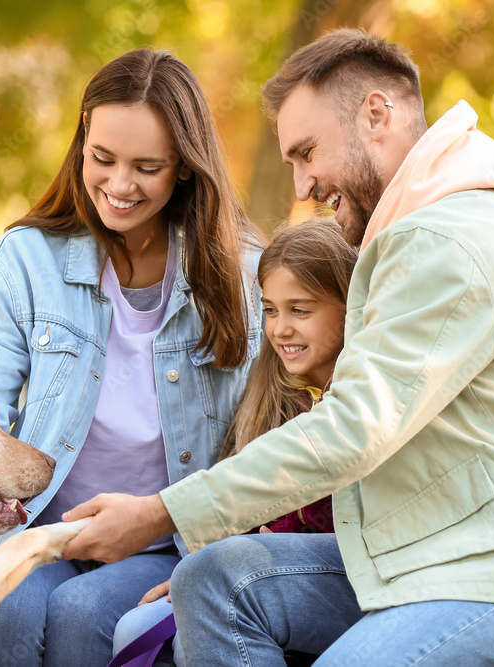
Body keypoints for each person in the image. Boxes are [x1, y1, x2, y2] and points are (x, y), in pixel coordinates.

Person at [61, 29, 494, 666]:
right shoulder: (412, 234)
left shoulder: (451, 237)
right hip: (434, 558)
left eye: (308, 152)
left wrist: (161, 512)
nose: (302, 184)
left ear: (376, 114)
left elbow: (353, 429)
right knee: (215, 581)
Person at [0, 48, 263, 666]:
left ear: (186, 170)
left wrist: (214, 553)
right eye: (103, 159)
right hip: (44, 528)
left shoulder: (242, 276)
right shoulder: (24, 263)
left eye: (148, 167)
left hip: (169, 539)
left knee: (84, 612)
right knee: (1, 602)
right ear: (81, 147)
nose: (119, 186)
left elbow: (263, 438)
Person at [108, 218, 356, 667]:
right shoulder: (272, 394)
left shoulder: (364, 401)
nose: (280, 329)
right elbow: (243, 504)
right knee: (137, 628)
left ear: (350, 306)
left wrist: (225, 570)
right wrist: (193, 580)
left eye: (300, 310)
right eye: (271, 310)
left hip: (333, 578)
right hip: (251, 567)